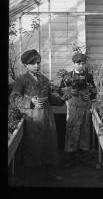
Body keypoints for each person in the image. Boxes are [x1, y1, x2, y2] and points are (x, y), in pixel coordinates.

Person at [10, 49, 65, 183]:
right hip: (32, 118)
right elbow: (14, 97)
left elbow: (51, 97)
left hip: (47, 117)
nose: (37, 65)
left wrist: (63, 98)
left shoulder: (44, 79)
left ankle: (50, 173)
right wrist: (30, 101)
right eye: (33, 63)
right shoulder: (21, 80)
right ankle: (34, 176)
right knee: (34, 145)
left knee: (50, 143)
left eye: (38, 62)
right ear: (26, 65)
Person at [60, 52, 97, 168]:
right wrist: (69, 92)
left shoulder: (88, 76)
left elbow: (94, 91)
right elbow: (61, 92)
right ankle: (70, 158)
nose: (81, 66)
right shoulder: (67, 77)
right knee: (72, 131)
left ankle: (83, 158)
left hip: (85, 107)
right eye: (78, 63)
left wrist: (89, 95)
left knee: (85, 131)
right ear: (74, 63)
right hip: (73, 109)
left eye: (83, 63)